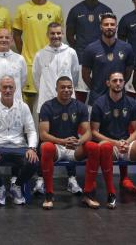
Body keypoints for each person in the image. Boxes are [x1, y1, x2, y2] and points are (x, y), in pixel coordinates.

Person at [32, 22, 80, 195]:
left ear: (63, 34)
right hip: (47, 104)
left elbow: (74, 75)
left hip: (69, 103)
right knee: (43, 141)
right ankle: (40, 179)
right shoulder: (40, 55)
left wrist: (65, 93)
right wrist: (48, 95)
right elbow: (37, 78)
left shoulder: (71, 52)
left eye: (59, 33)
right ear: (47, 34)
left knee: (72, 139)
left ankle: (72, 178)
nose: (56, 36)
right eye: (52, 33)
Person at [39, 76, 100, 209]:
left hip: (74, 147)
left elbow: (88, 132)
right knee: (46, 147)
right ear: (56, 89)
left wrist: (79, 142)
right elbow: (43, 134)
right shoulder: (47, 106)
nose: (66, 90)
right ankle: (49, 194)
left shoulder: (80, 106)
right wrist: (61, 141)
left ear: (72, 89)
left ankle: (88, 194)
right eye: (63, 87)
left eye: (69, 87)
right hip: (56, 146)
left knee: (93, 147)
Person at [0, 76, 38, 205]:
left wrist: (32, 148)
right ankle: (0, 188)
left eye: (10, 87)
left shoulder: (23, 107)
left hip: (19, 147)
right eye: (5, 87)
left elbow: (31, 131)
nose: (7, 90)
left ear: (15, 89)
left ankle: (17, 186)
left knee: (33, 161)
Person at [90, 72, 136, 209]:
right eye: (114, 81)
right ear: (108, 83)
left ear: (124, 83)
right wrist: (115, 143)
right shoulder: (99, 103)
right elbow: (94, 132)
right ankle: (111, 192)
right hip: (108, 144)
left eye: (120, 80)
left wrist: (127, 142)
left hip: (126, 143)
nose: (118, 83)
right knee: (104, 147)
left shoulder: (131, 103)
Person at [13, 0, 63, 104]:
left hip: (50, 62)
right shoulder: (22, 9)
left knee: (51, 100)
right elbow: (16, 34)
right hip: (29, 62)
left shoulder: (55, 9)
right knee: (28, 102)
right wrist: (23, 52)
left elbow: (58, 34)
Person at [66, 0, 113, 102]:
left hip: (102, 59)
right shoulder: (75, 10)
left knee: (101, 94)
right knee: (80, 95)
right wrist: (80, 49)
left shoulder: (106, 11)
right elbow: (70, 35)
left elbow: (110, 33)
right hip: (81, 59)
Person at [82, 13, 134, 105]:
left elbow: (128, 71)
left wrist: (118, 86)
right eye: (106, 24)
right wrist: (95, 90)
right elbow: (85, 75)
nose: (109, 27)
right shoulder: (91, 48)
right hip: (97, 99)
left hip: (119, 97)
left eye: (112, 24)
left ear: (116, 27)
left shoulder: (126, 47)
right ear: (101, 27)